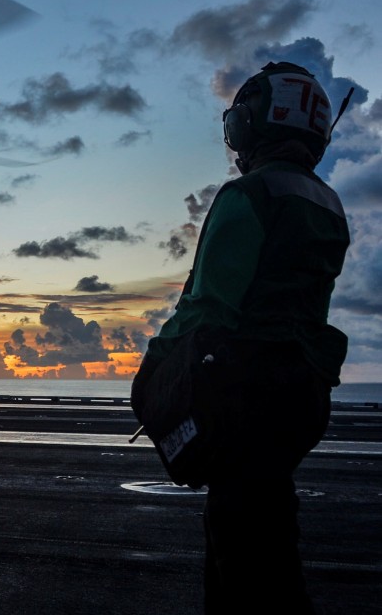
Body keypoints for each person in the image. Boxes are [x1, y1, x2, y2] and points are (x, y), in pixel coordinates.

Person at [137, 62, 351, 613]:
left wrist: (154, 370)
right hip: (303, 394)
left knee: (243, 560)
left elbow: (208, 308)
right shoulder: (328, 203)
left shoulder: (249, 195)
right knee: (270, 538)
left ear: (258, 123)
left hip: (244, 396)